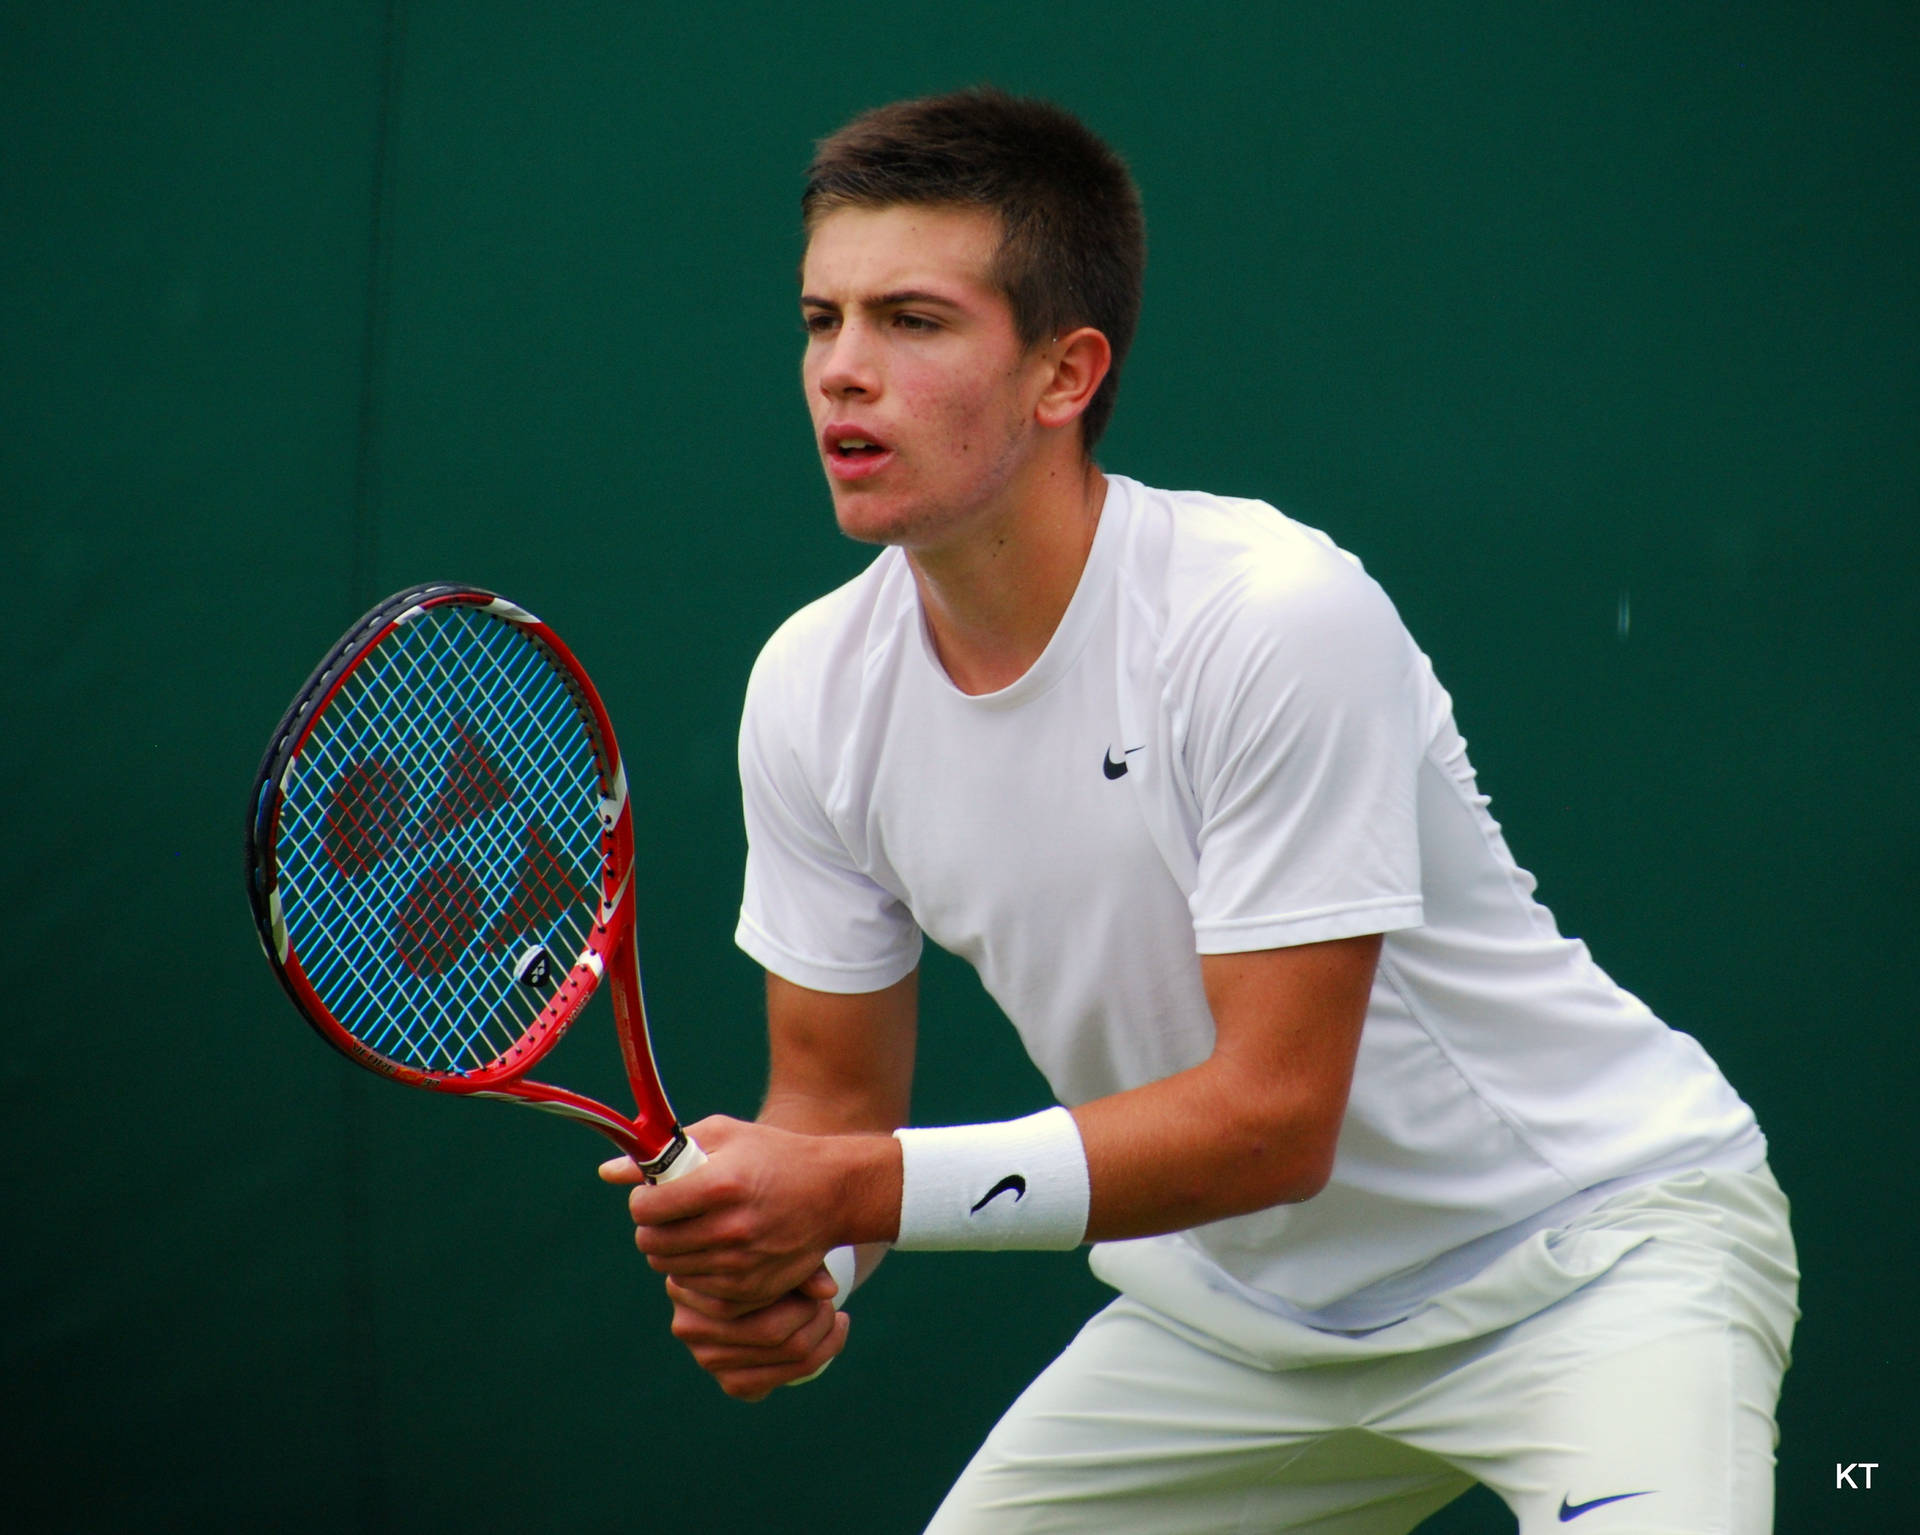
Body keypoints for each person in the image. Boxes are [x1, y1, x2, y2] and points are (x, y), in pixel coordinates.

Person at [600, 89, 1798, 1533]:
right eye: (820, 320)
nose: (842, 374)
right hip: (1235, 1324)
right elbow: (837, 1108)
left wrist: (845, 1194)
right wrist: (802, 1271)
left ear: (1065, 374)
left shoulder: (1269, 616)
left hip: (1592, 1263)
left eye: (912, 321)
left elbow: (1273, 1120)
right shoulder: (809, 688)